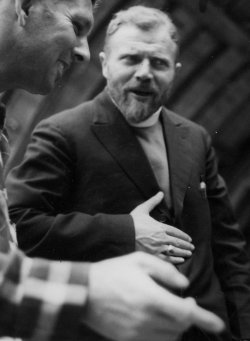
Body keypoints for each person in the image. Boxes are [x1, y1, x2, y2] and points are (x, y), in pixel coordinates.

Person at [0, 1, 226, 340]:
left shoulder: (196, 139)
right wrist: (119, 239)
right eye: (76, 26)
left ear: (175, 71)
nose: (83, 53)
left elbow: (224, 247)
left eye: (160, 63)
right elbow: (23, 221)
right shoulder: (64, 130)